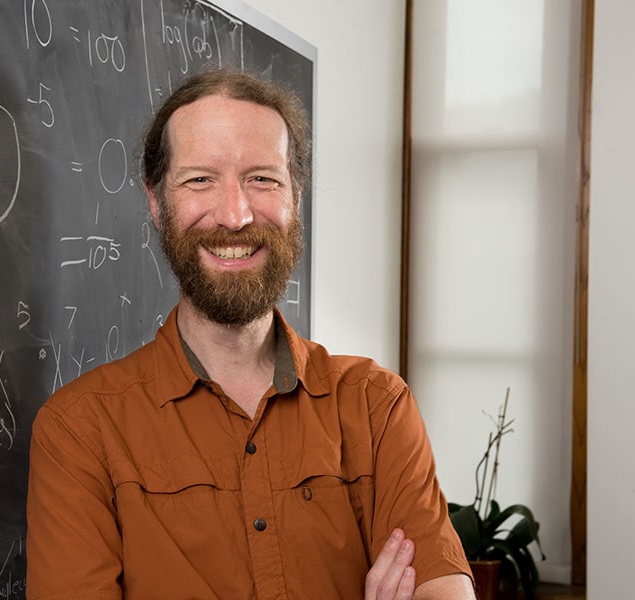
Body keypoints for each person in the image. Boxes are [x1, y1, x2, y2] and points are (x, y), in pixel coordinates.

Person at [26, 68, 475, 599]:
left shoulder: (378, 407)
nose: (236, 215)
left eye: (262, 178)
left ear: (295, 197)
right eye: (200, 180)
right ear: (155, 201)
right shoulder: (80, 432)